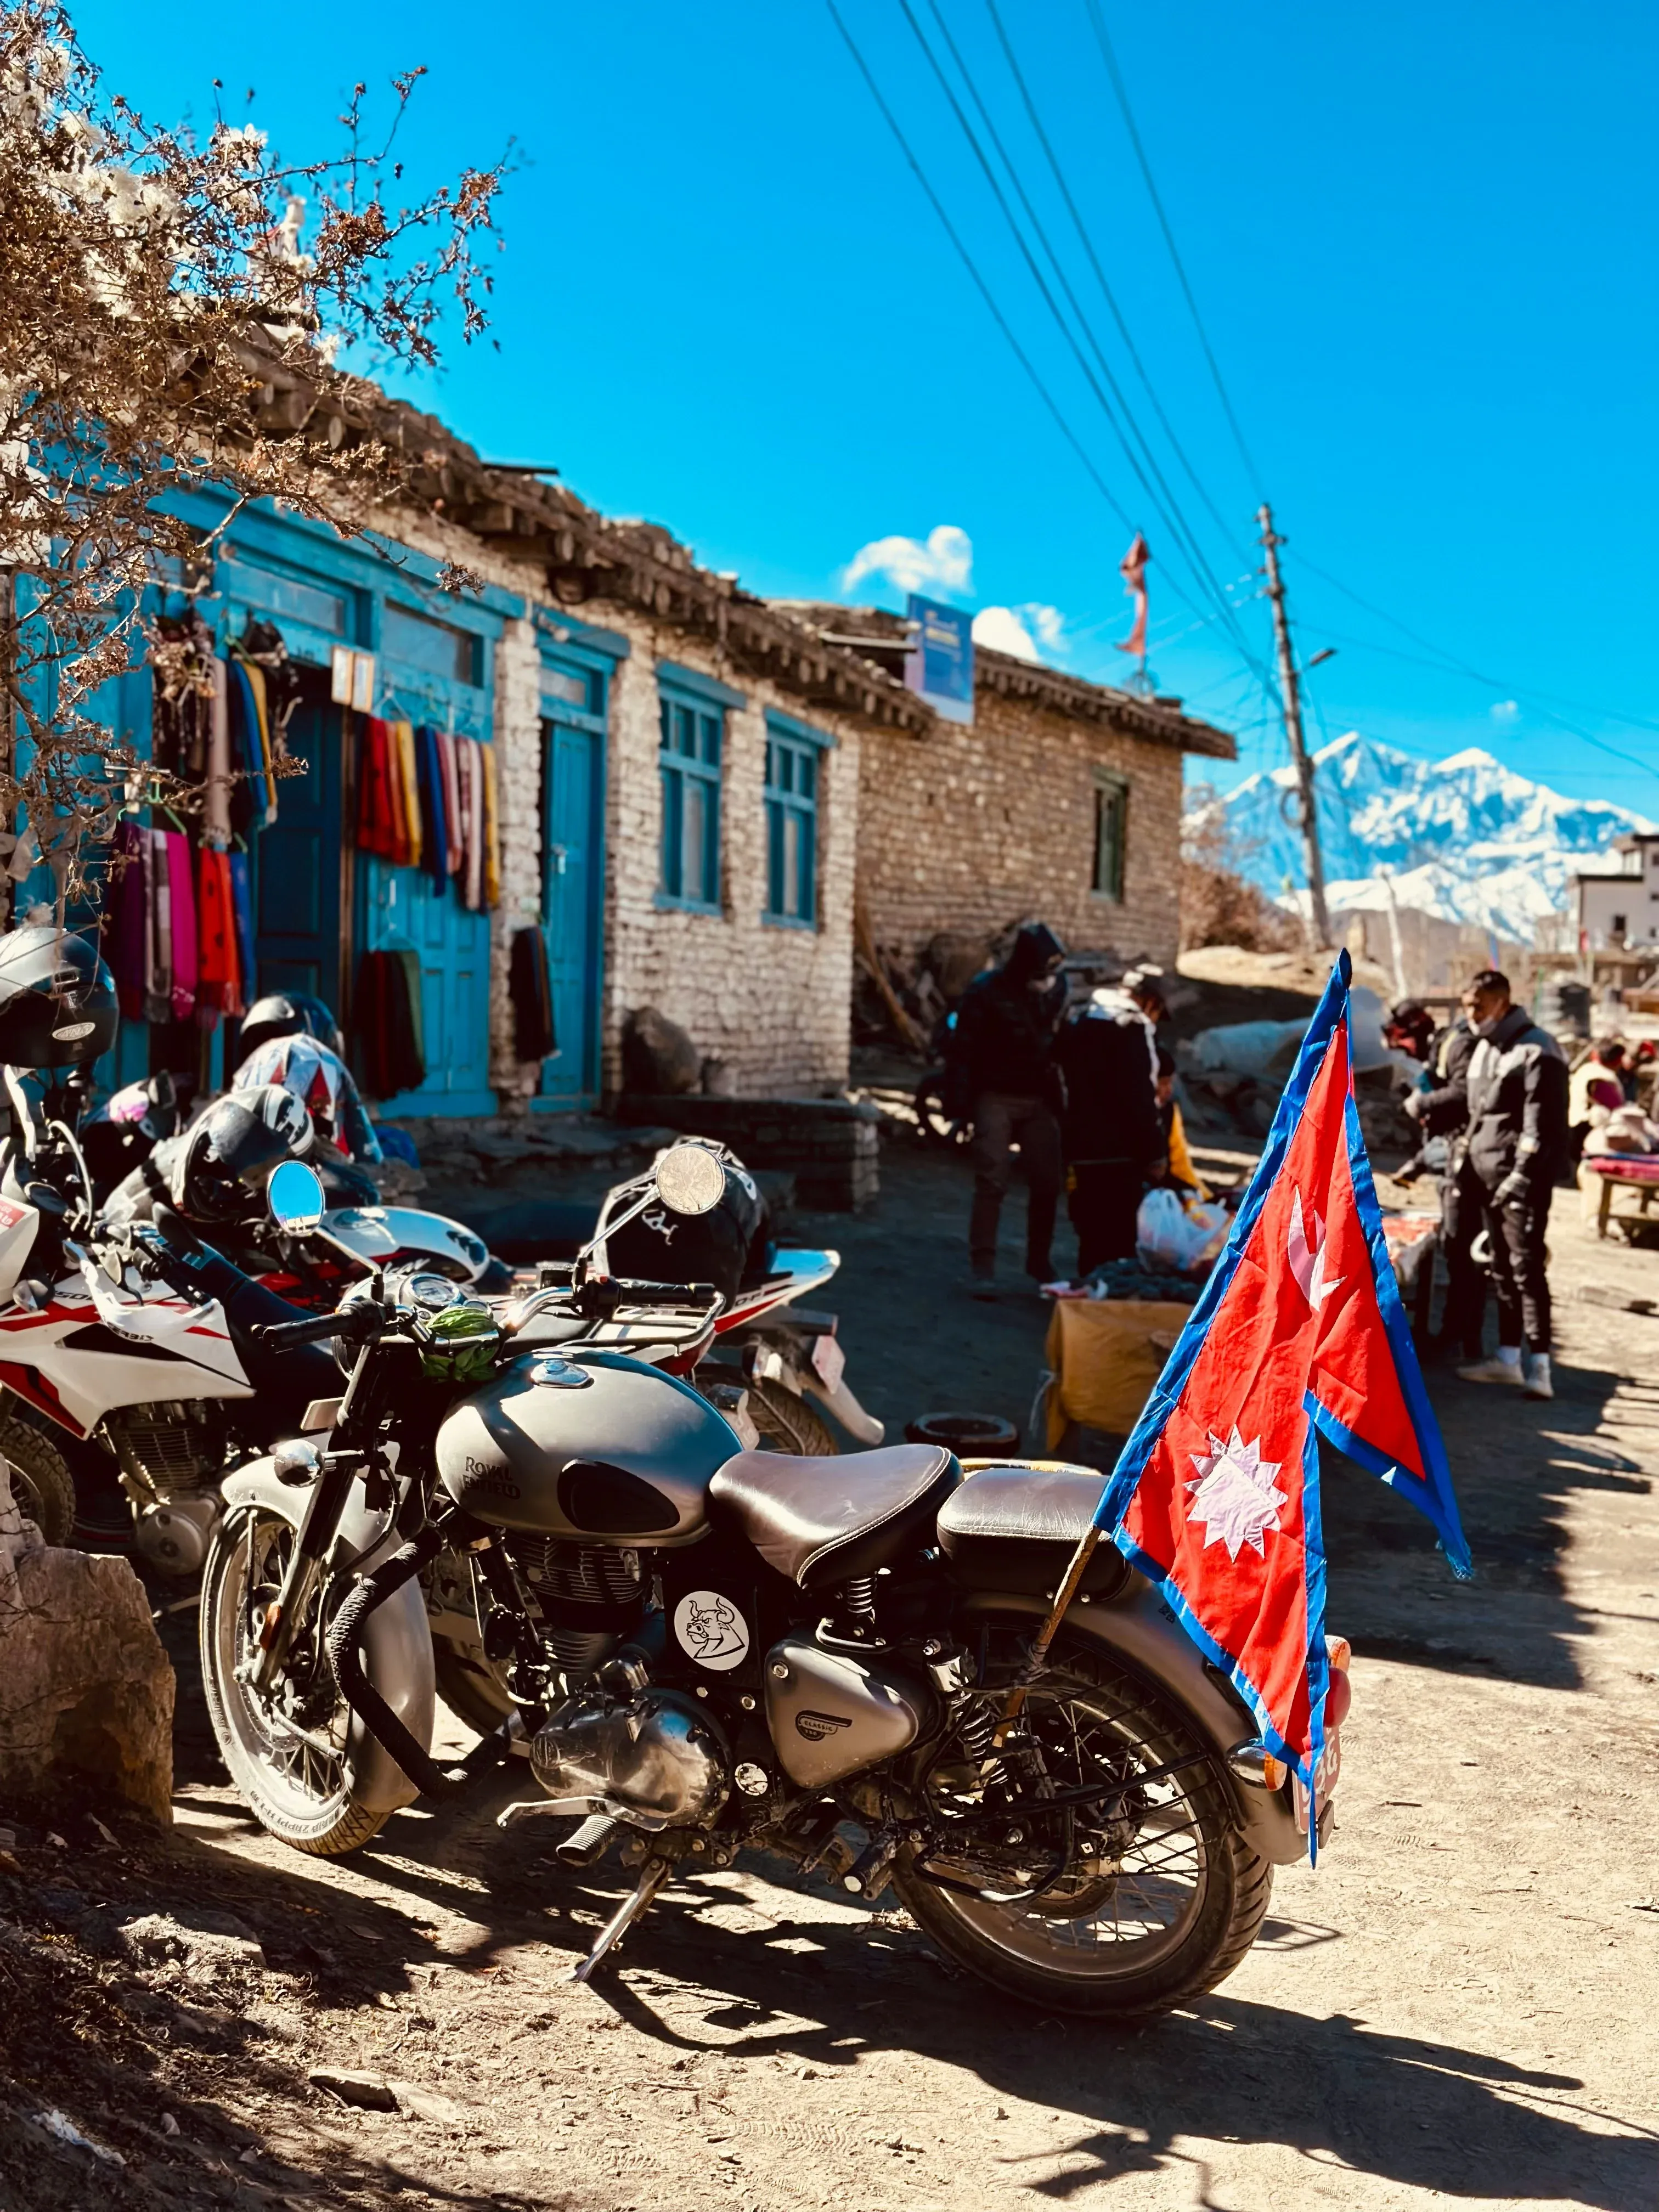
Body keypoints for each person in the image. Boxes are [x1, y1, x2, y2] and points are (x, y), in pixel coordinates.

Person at [1451, 968, 1568, 1402]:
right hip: (1486, 1180)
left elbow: (1544, 1123)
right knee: (1500, 1267)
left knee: (1526, 1267)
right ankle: (1506, 1358)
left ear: (1501, 1001)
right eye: (1467, 1006)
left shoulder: (1539, 1049)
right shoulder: (1486, 1049)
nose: (1471, 1015)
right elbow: (1478, 1114)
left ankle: (1540, 1365)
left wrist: (1521, 1175)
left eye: (1477, 1006)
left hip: (1520, 1183)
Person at [950, 920, 1068, 1298]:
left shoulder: (1055, 990)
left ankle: (1040, 1263)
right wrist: (959, 1107)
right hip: (994, 1096)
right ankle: (982, 1267)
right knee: (991, 1181)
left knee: (1048, 1181)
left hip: (1038, 1099)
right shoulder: (986, 993)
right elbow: (963, 1052)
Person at [1057, 963, 1166, 1276]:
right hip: (1120, 1152)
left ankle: (1086, 1294)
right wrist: (1154, 1152)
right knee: (1118, 1236)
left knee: (1088, 1227)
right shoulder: (1133, 1026)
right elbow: (1140, 1096)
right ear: (1150, 1002)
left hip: (1079, 1144)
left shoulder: (1080, 1018)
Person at [1400, 992, 1483, 1361]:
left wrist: (1423, 1104)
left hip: (1468, 1162)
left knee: (1462, 1249)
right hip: (1458, 1155)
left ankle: (1459, 1337)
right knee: (1458, 1248)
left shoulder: (1460, 1043)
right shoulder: (1450, 1045)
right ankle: (1458, 1334)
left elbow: (1465, 1097)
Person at [1154, 1044, 1210, 1200]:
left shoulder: (1168, 1112)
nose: (1169, 1091)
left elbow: (1180, 1165)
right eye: (1163, 1083)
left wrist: (1206, 1198)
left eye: (1170, 1083)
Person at [1567, 1040, 1628, 1162]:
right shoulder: (1603, 1077)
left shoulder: (1585, 1070)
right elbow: (1615, 1107)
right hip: (1590, 1130)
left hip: (1573, 1126)